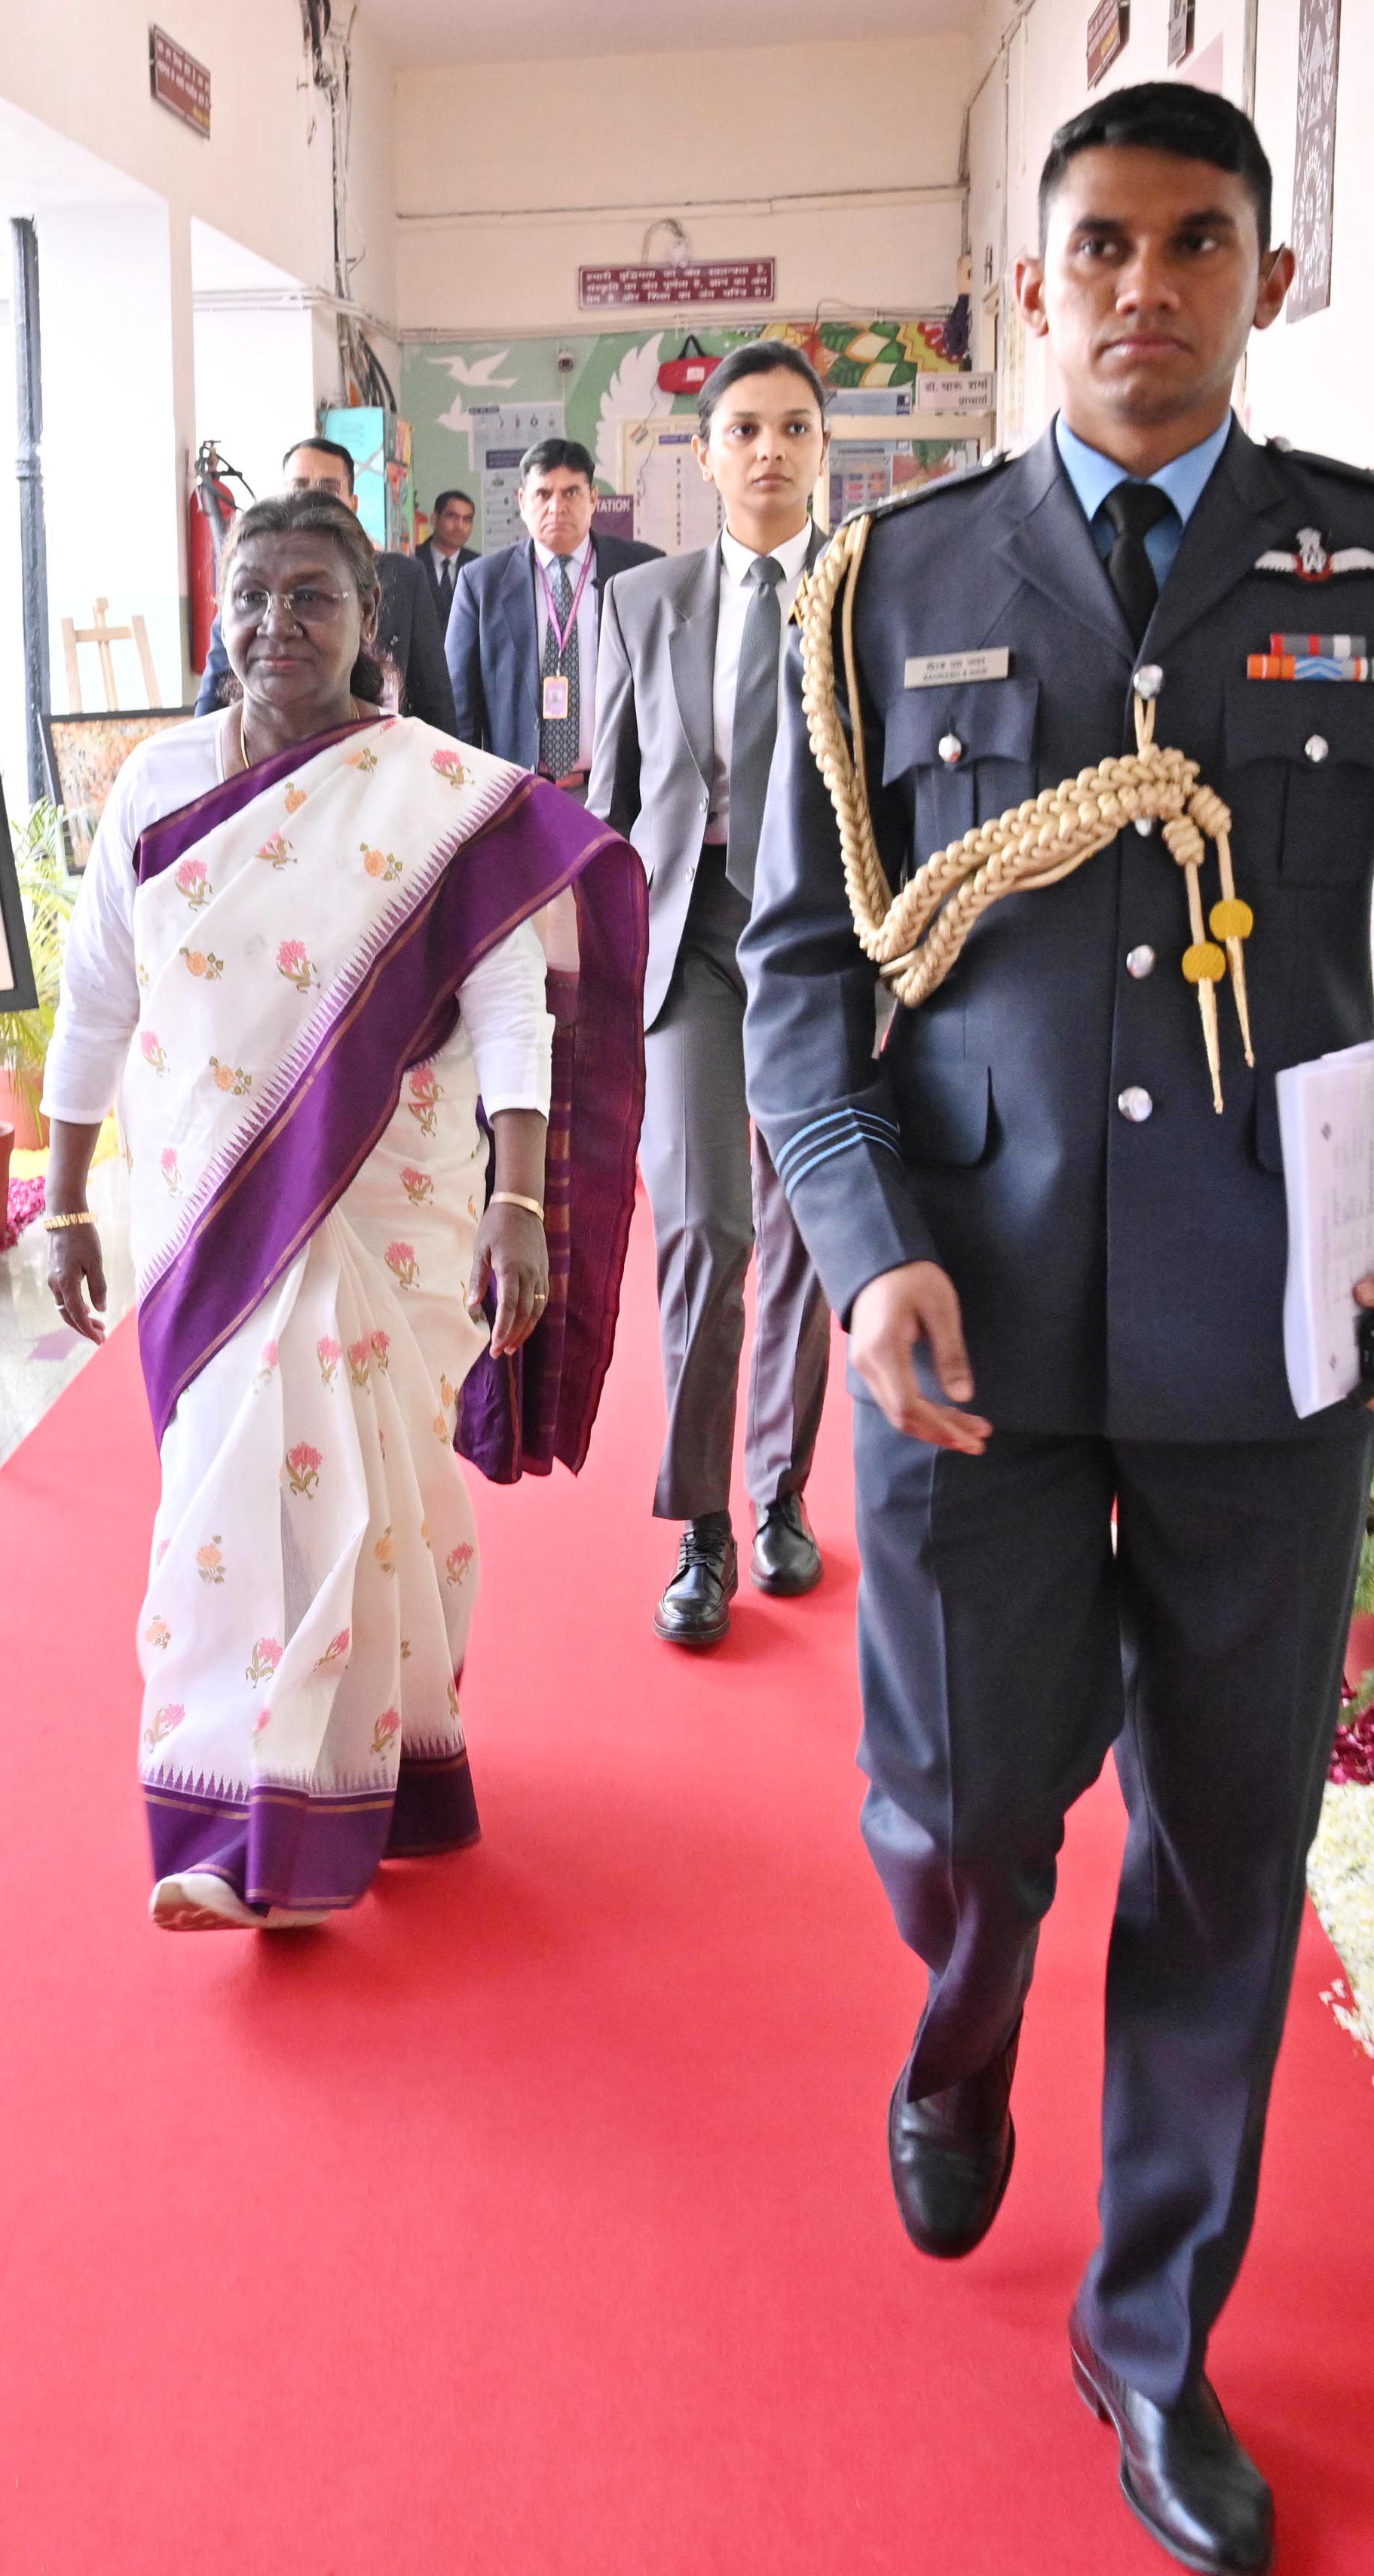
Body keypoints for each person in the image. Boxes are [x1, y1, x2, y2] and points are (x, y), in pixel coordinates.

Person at [740, 82, 1374, 2573]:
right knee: (960, 1813)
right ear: (1033, 287)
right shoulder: (885, 581)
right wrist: (858, 1239)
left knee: (1230, 1846)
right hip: (969, 1320)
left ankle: (1152, 2333)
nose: (1148, 289)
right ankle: (964, 2016)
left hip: (1282, 1321)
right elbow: (797, 972)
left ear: (1266, 277)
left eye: (1198, 245)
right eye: (1104, 247)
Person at [41, 492, 647, 1933]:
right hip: (209, 1195)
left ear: (371, 620)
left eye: (311, 595)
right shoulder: (155, 785)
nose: (276, 623)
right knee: (228, 1481)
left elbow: (510, 1001)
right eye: (251, 594)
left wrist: (517, 1197)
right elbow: (97, 997)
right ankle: (234, 1808)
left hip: (391, 1187)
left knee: (382, 1484)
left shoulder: (432, 790)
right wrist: (62, 1200)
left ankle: (351, 1777)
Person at [588, 341, 837, 1644]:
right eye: (744, 429)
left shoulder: (864, 592)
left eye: (793, 427)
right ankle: (702, 1523)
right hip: (690, 938)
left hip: (822, 945)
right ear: (704, 453)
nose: (768, 450)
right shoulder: (645, 601)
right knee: (703, 1224)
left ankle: (780, 1486)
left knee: (805, 1224)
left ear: (822, 448)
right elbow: (612, 798)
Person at [197, 437, 458, 736]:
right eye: (300, 486)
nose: (277, 625)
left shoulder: (403, 576)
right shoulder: (249, 575)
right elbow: (211, 703)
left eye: (329, 488)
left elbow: (434, 697)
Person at [445, 440, 661, 783]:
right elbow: (460, 704)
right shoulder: (482, 583)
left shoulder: (643, 570)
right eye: (543, 494)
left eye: (571, 493)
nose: (557, 507)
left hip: (619, 788)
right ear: (522, 501)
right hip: (521, 790)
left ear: (593, 498)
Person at [422, 489, 479, 617]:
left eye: (467, 520)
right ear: (434, 519)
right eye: (452, 517)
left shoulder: (478, 565)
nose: (460, 526)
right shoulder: (413, 559)